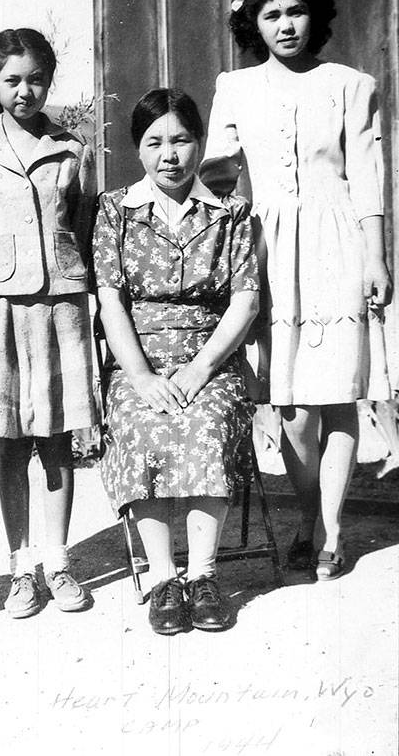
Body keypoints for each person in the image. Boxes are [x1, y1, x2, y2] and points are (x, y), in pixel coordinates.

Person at [203, 0, 392, 581]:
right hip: (267, 245)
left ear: (316, 16)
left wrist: (377, 258)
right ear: (255, 23)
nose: (286, 25)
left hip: (336, 240)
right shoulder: (235, 86)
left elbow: (367, 177)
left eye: (296, 11)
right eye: (271, 14)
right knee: (288, 404)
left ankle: (330, 530)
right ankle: (306, 514)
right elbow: (215, 173)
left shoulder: (350, 84)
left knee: (338, 393)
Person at [93, 89, 259, 635]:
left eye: (182, 140)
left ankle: (203, 575)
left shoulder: (230, 214)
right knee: (143, 427)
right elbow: (111, 300)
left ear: (200, 144)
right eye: (154, 142)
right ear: (137, 150)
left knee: (207, 424)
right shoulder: (116, 209)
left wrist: (202, 368)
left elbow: (245, 300)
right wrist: (139, 377)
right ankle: (165, 578)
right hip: (138, 359)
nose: (170, 154)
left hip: (209, 357)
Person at [0, 28, 97, 618]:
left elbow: (88, 226)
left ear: (50, 79)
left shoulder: (72, 151)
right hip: (3, 310)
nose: (24, 91)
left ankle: (59, 561)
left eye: (36, 79)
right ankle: (22, 568)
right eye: (11, 80)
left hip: (62, 308)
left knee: (58, 436)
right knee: (12, 438)